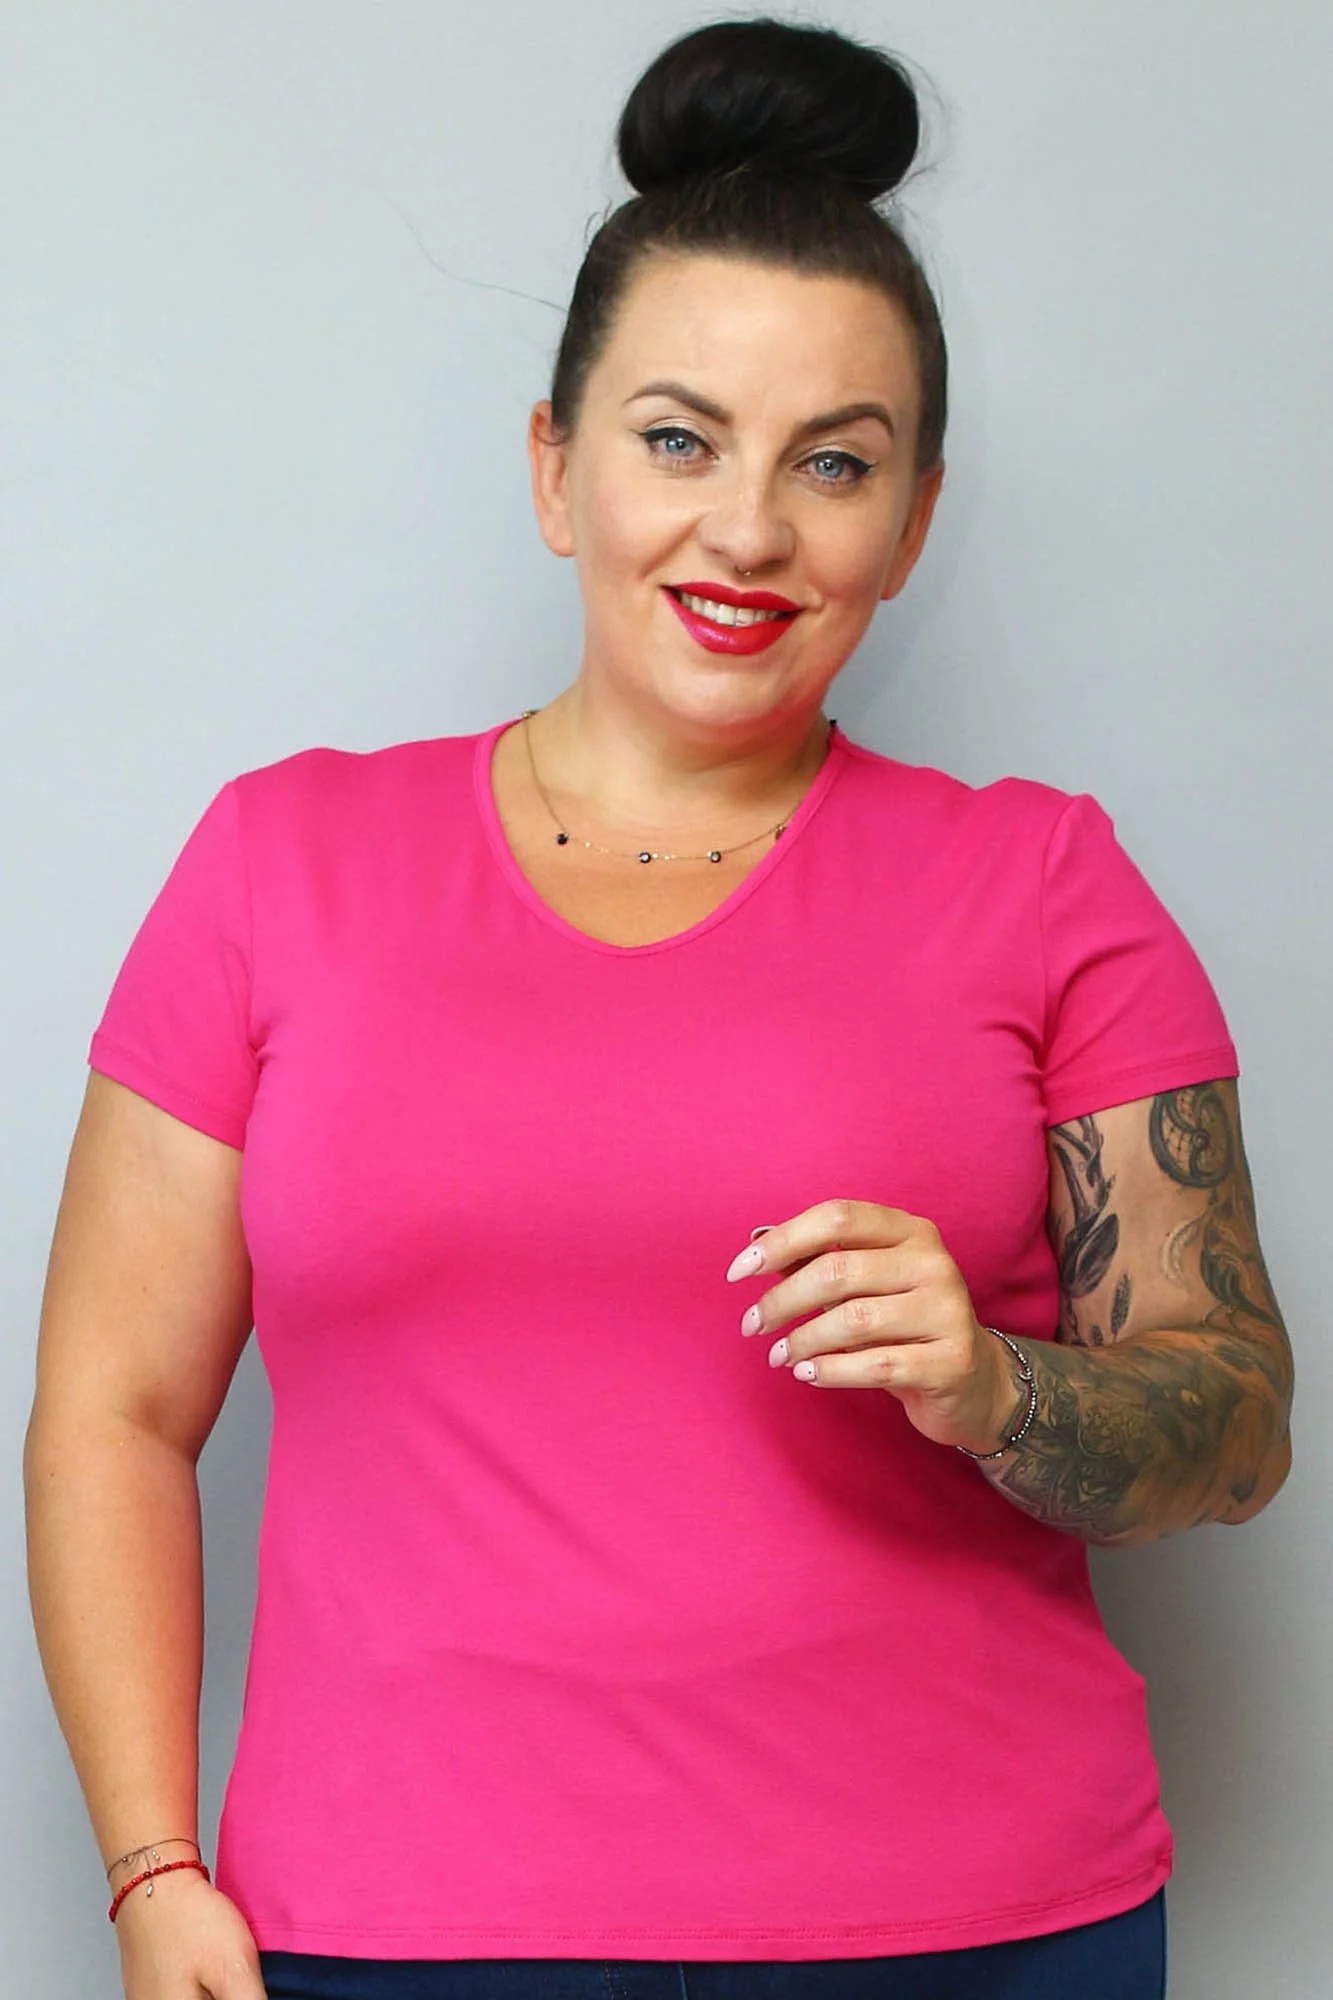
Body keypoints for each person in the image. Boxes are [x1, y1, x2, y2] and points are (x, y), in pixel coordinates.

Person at [24, 16, 1293, 2000]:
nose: (749, 529)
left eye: (833, 463)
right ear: (556, 467)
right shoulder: (283, 864)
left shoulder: (1044, 883)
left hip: (976, 1930)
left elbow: (1234, 1423)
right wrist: (152, 1864)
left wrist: (994, 1385)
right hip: (396, 1929)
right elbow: (113, 1409)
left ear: (914, 520)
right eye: (678, 440)